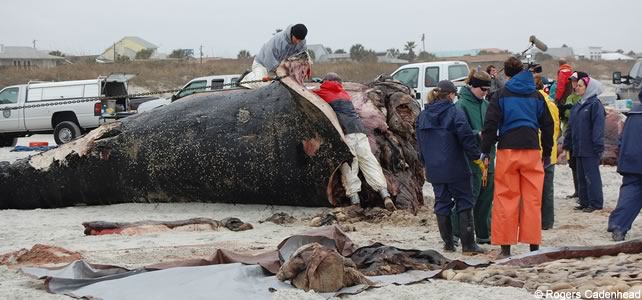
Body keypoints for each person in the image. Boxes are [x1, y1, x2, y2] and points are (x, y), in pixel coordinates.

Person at [481, 57, 554, 258]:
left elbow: (491, 124)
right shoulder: (537, 96)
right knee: (532, 199)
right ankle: (533, 246)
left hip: (507, 151)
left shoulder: (501, 94)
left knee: (506, 197)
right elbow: (548, 126)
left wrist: (485, 149)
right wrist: (547, 152)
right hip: (531, 151)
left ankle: (506, 249)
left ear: (507, 74)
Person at [416, 80, 486, 254]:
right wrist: (476, 156)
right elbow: (465, 137)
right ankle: (469, 245)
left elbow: (419, 143)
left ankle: (448, 244)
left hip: (434, 169)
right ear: (450, 95)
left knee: (441, 203)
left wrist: (425, 163)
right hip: (456, 166)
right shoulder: (455, 112)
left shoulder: (423, 115)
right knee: (464, 201)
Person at [313, 73, 396, 211]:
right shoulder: (344, 93)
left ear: (326, 81)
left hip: (346, 133)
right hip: (360, 131)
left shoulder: (324, 91)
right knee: (369, 161)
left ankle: (355, 200)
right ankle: (385, 195)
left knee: (350, 164)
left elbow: (307, 94)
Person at [451, 69, 495, 244]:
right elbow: (458, 132)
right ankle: (456, 233)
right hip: (470, 160)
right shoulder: (460, 106)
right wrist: (477, 134)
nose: (485, 93)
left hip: (489, 158)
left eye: (487, 90)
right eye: (483, 89)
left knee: (486, 198)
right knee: (469, 197)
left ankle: (484, 234)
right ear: (473, 86)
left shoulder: (486, 105)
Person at [563, 76, 605, 213]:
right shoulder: (578, 105)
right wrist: (567, 142)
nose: (577, 87)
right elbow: (571, 126)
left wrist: (597, 145)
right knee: (581, 175)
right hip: (578, 147)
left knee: (591, 175)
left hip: (590, 147)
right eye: (577, 85)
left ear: (589, 88)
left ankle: (595, 202)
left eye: (580, 86)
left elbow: (598, 127)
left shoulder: (594, 105)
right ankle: (584, 201)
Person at [608, 90, 642, 241]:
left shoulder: (633, 114)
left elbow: (621, 138)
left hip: (631, 162)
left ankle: (618, 226)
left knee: (630, 194)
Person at [241, 24, 308, 89]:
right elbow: (269, 60)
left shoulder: (302, 43)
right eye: (296, 39)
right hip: (263, 65)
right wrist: (280, 73)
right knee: (263, 84)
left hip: (280, 69)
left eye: (300, 40)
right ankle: (246, 79)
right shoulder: (278, 40)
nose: (297, 42)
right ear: (292, 34)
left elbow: (302, 57)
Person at [535, 71, 561, 230]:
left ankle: (538, 220)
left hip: (536, 151)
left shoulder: (534, 102)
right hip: (549, 152)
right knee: (548, 188)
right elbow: (557, 128)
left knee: (535, 189)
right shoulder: (551, 103)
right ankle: (547, 221)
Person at [561, 71, 589, 199]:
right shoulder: (570, 96)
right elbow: (566, 114)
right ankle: (577, 190)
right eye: (572, 81)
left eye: (575, 81)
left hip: (580, 136)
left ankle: (583, 191)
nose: (573, 83)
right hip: (569, 133)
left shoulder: (584, 97)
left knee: (580, 164)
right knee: (572, 163)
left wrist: (568, 111)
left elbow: (572, 114)